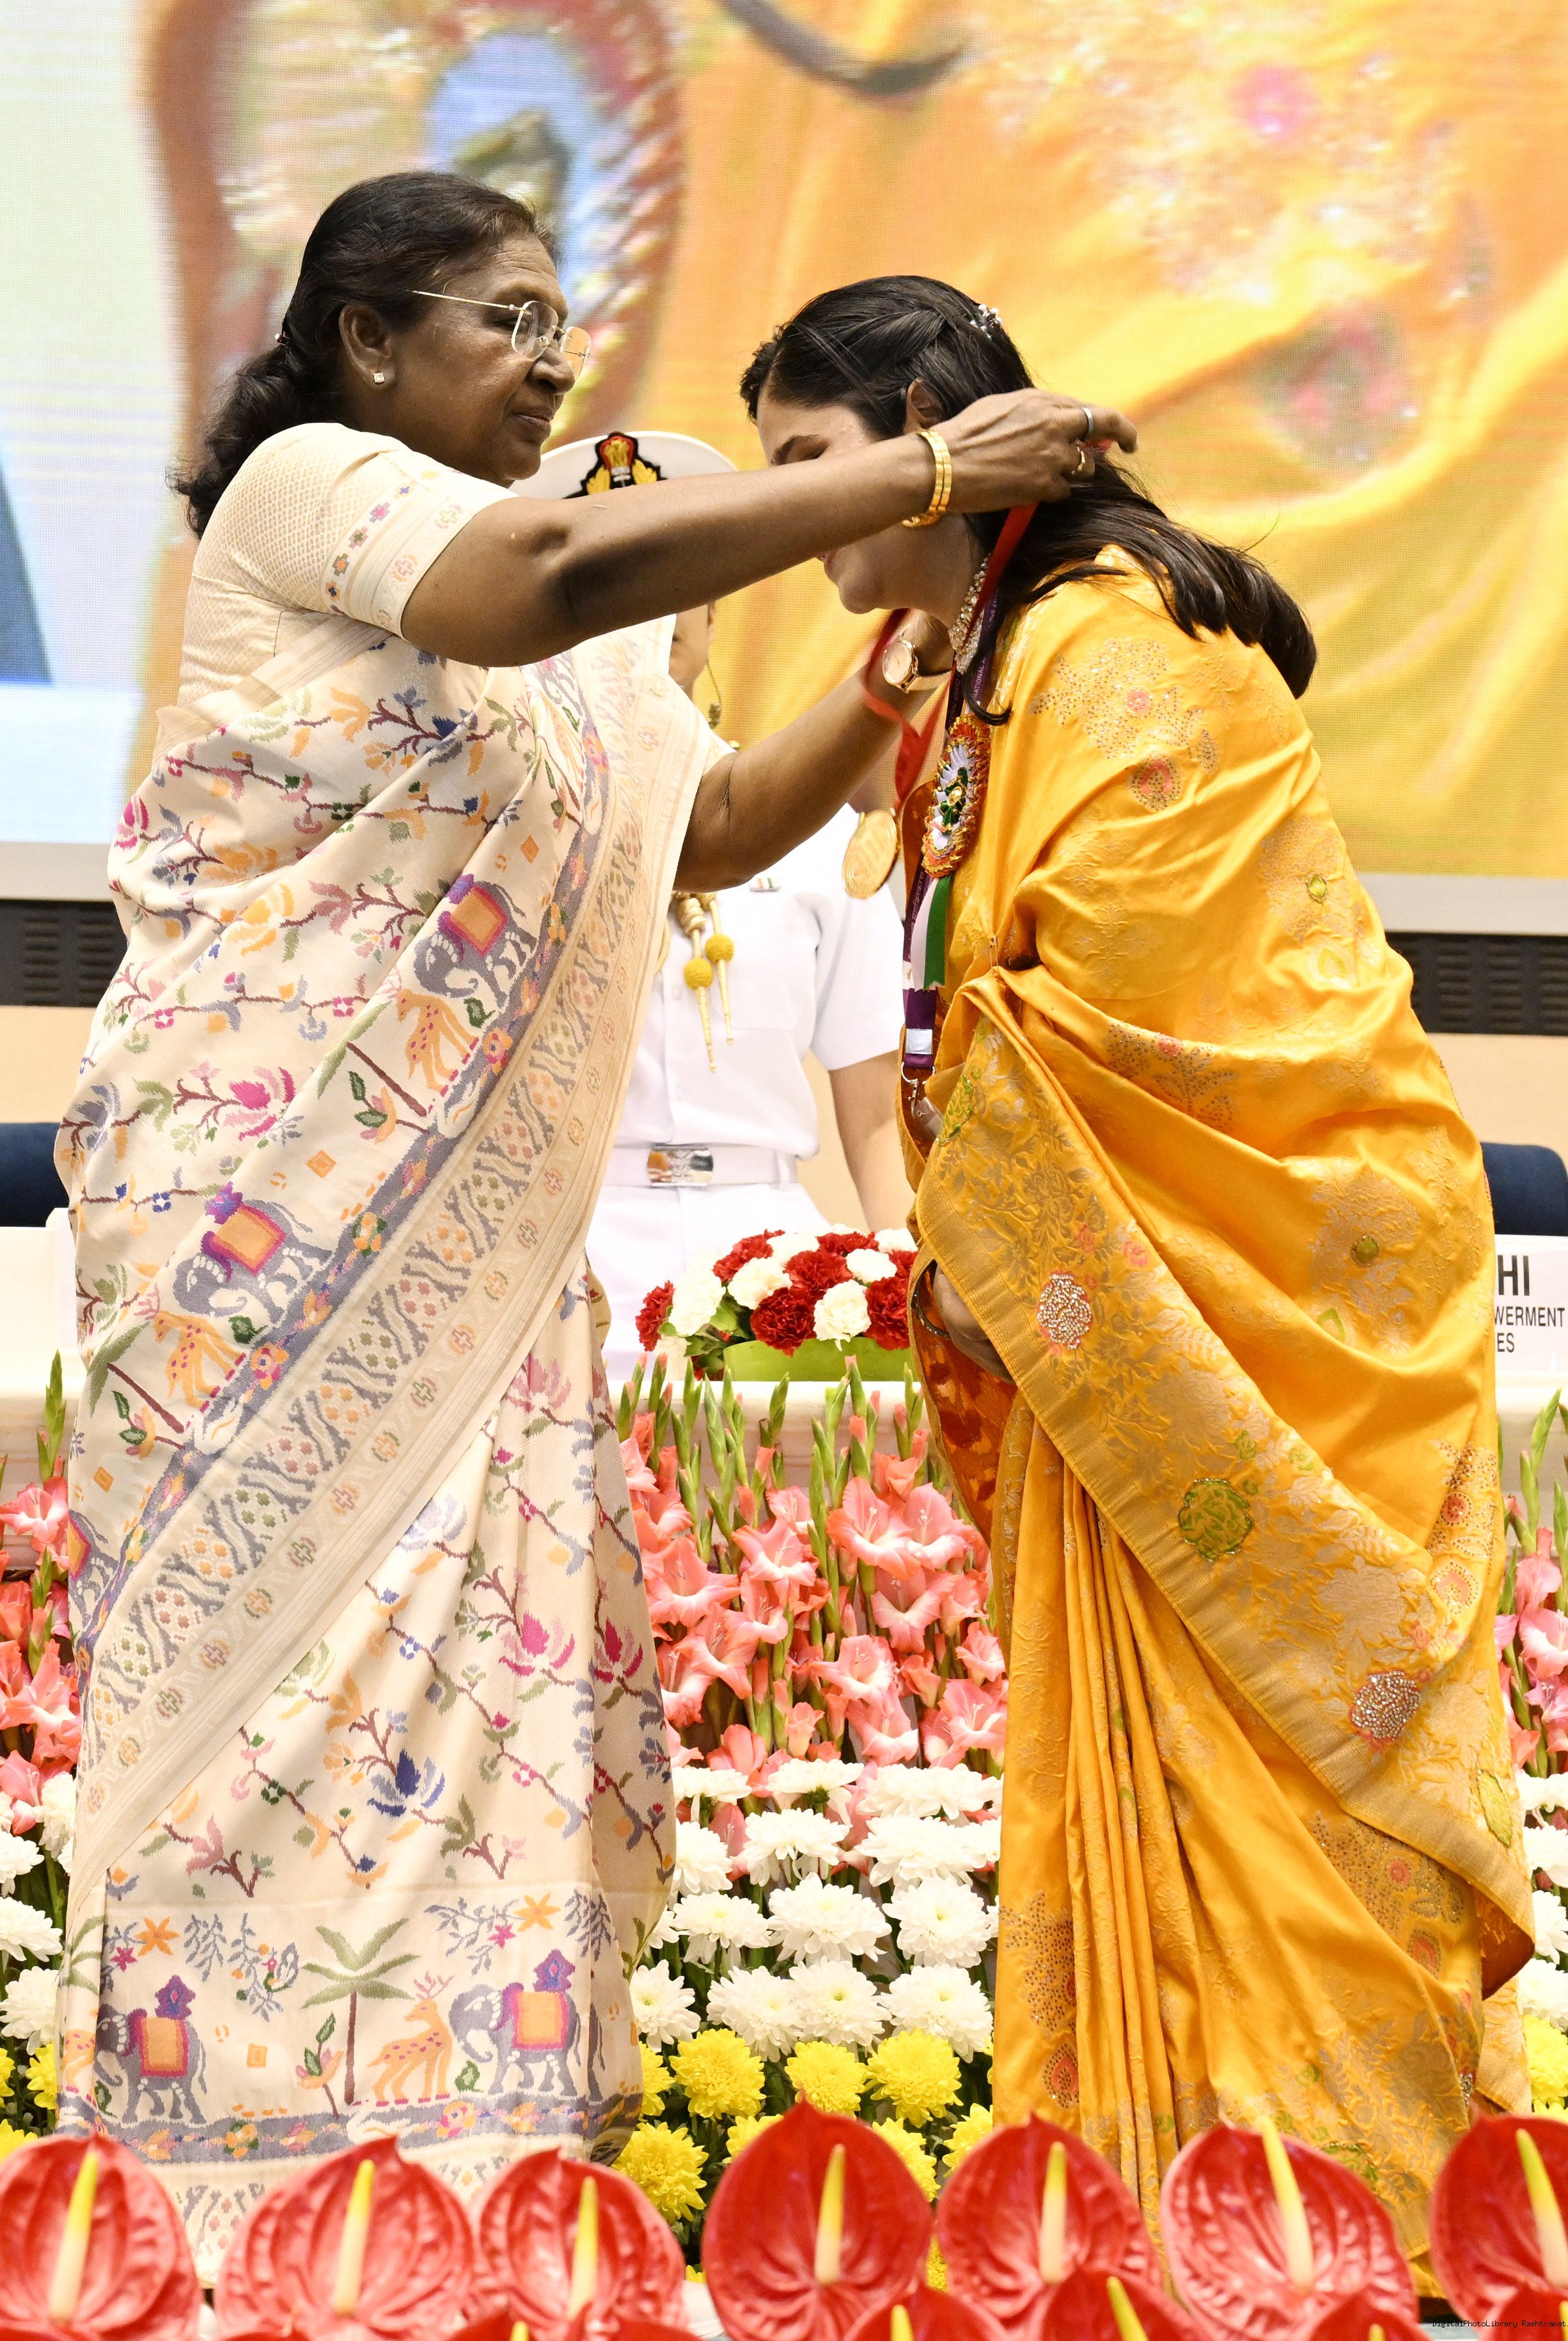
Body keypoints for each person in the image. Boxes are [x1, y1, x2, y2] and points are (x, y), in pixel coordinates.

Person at [51, 178, 1122, 2267]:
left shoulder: (584, 643)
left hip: (478, 1258)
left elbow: (707, 825)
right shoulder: (314, 490)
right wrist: (921, 473)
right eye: (506, 318)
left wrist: (890, 674)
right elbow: (535, 577)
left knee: (479, 1697)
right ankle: (213, 2189)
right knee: (269, 1700)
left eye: (562, 320)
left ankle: (467, 2189)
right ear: (367, 339)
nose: (553, 360)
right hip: (263, 1225)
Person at [742, 276, 1532, 2274]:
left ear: (923, 427)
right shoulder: (984, 657)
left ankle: (1350, 2221)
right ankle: (1162, 2218)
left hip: (1257, 1291)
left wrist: (981, 1187)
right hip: (1123, 1290)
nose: (795, 514)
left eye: (808, 462)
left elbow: (1142, 1010)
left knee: (1285, 1748)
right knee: (1162, 1758)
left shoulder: (1112, 645)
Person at [522, 429, 908, 1367]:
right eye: (614, 580)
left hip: (773, 1269)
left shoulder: (815, 829)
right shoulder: (509, 835)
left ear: (712, 611)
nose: (648, 613)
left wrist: (903, 1281)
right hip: (562, 1257)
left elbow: (875, 1110)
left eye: (675, 577)